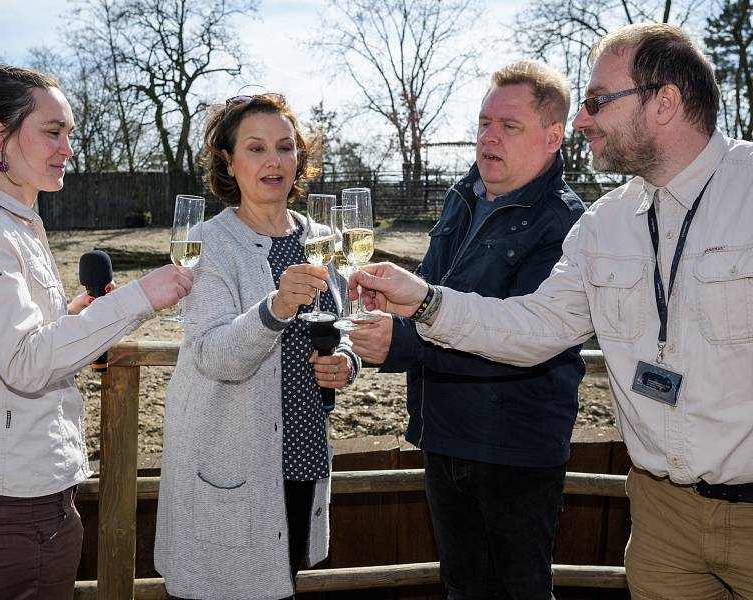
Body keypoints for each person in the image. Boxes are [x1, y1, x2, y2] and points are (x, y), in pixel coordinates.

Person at [349, 23, 753, 599]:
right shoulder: (604, 224)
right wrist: (427, 301)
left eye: (596, 102)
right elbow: (535, 327)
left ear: (665, 101)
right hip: (664, 519)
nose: (583, 120)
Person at [0, 64, 193, 599]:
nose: (68, 148)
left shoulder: (17, 223)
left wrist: (76, 316)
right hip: (13, 505)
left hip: (33, 497)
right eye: (53, 131)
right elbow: (24, 360)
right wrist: (142, 297)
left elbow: (26, 337)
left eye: (70, 134)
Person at [349, 60, 585, 600]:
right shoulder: (463, 198)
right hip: (443, 434)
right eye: (484, 123)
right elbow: (434, 295)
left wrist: (401, 342)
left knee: (519, 591)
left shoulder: (567, 226)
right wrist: (392, 309)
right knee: (461, 589)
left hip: (514, 447)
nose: (489, 137)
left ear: (553, 137)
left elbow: (520, 336)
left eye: (509, 126)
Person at [154, 92, 361, 600]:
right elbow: (214, 356)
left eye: (285, 147)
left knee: (282, 583)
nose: (274, 160)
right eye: (256, 148)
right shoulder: (208, 243)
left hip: (302, 456)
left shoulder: (322, 239)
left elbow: (343, 325)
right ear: (228, 161)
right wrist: (275, 309)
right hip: (232, 466)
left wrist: (347, 363)